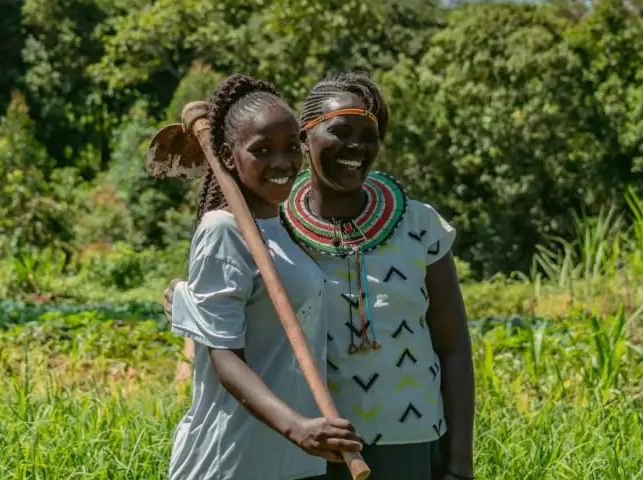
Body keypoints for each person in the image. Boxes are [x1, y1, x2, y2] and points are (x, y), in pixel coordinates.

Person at [167, 72, 476, 480]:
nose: (356, 147)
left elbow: (454, 346)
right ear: (307, 140)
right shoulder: (277, 229)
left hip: (413, 440)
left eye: (370, 135)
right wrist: (185, 295)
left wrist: (460, 464)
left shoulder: (419, 225)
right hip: (315, 452)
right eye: (340, 132)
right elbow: (233, 297)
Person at [167, 74, 363, 480]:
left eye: (292, 147)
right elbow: (224, 357)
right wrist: (297, 427)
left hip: (290, 463)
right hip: (229, 460)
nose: (282, 162)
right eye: (262, 150)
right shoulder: (223, 229)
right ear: (227, 155)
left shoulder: (285, 232)